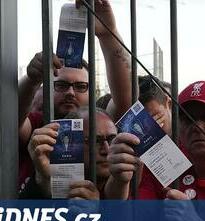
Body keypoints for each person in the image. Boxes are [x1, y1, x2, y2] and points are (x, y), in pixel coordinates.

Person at [18, 0, 131, 190]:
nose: (71, 93)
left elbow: (126, 100)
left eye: (80, 86)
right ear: (46, 89)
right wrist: (31, 79)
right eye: (61, 85)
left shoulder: (102, 121)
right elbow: (12, 118)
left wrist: (107, 34)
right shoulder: (38, 124)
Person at [20, 107, 116, 199]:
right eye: (95, 140)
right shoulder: (44, 186)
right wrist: (43, 182)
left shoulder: (126, 185)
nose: (107, 150)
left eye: (112, 139)